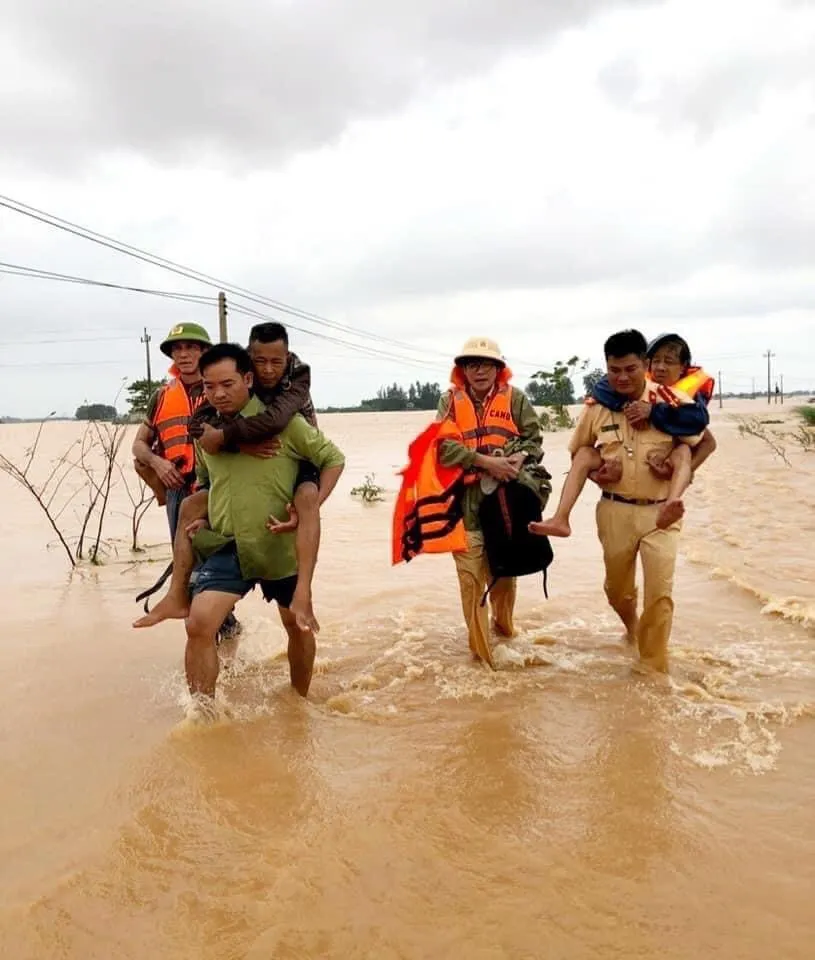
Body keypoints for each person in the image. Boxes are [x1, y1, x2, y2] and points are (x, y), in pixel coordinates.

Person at [167, 342, 345, 709]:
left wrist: (310, 506)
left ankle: (300, 703)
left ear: (248, 378)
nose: (218, 394)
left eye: (227, 384)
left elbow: (333, 459)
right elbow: (206, 481)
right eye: (209, 386)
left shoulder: (285, 423)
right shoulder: (207, 434)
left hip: (277, 542)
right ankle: (202, 715)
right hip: (230, 544)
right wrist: (203, 512)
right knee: (199, 624)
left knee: (295, 624)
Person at [134, 322, 325, 635]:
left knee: (299, 507)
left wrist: (229, 440)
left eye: (191, 348)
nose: (184, 355)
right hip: (191, 486)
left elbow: (277, 421)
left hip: (270, 473)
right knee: (191, 560)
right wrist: (159, 463)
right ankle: (188, 606)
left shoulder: (274, 379)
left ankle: (243, 619)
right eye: (178, 349)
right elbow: (147, 442)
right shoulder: (168, 395)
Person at [554, 329, 704, 673]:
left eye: (631, 369)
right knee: (617, 592)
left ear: (646, 365)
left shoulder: (672, 402)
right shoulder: (597, 407)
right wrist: (596, 474)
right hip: (614, 509)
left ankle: (653, 669)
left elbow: (702, 442)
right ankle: (632, 630)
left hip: (660, 514)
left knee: (660, 594)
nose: (622, 377)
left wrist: (683, 471)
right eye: (614, 370)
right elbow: (580, 452)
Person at [530, 332, 717, 538]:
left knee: (683, 451)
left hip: (659, 494)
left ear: (683, 367)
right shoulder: (615, 391)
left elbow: (706, 438)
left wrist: (655, 414)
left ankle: (671, 504)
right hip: (616, 500)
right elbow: (601, 388)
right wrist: (598, 476)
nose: (661, 367)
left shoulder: (682, 402)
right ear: (647, 364)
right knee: (584, 453)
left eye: (669, 362)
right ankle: (560, 518)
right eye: (656, 361)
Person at [433, 336, 548, 668]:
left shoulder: (516, 398)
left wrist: (517, 458)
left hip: (504, 503)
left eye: (486, 364)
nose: (479, 370)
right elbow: (442, 448)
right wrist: (486, 463)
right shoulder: (450, 402)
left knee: (503, 579)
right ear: (462, 370)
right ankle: (483, 662)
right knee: (471, 582)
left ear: (499, 368)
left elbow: (534, 438)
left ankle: (505, 632)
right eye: (471, 364)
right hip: (465, 505)